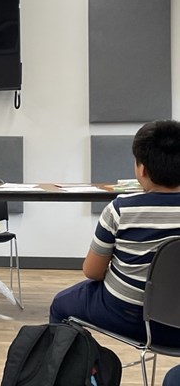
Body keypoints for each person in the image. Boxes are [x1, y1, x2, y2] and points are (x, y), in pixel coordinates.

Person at [49, 119, 180, 348]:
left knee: (61, 304)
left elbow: (92, 272)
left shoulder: (121, 209)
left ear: (142, 169)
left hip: (128, 318)